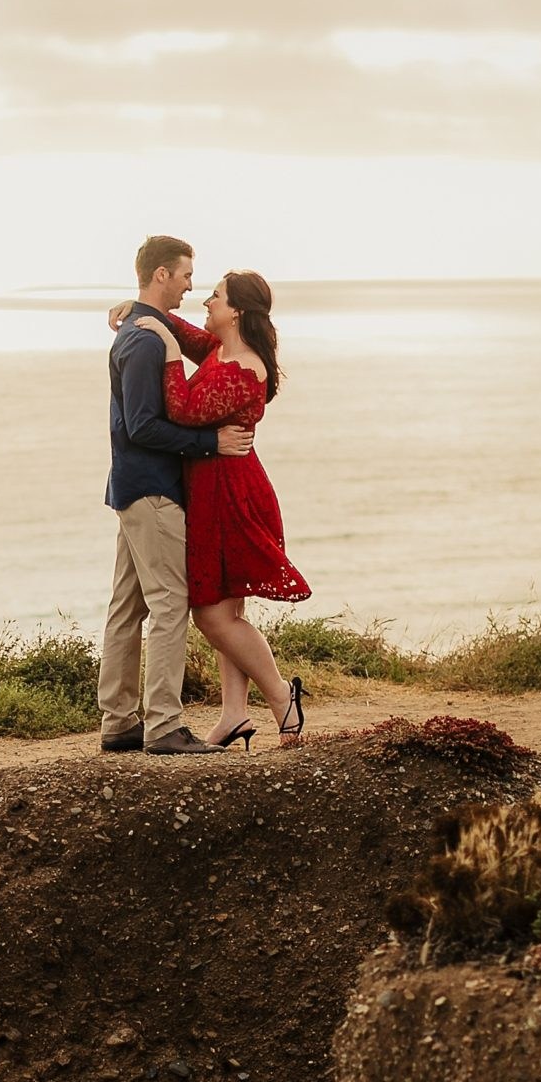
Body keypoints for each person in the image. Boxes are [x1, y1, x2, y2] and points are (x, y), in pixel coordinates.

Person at [109, 270, 310, 749]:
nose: (205, 301)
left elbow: (181, 409)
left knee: (214, 616)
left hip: (231, 494)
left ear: (236, 310)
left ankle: (283, 699)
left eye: (215, 296)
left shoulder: (246, 368)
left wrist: (167, 347)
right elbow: (179, 329)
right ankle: (234, 715)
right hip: (213, 487)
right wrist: (135, 310)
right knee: (228, 604)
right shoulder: (222, 350)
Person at [98, 235, 255, 755]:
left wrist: (145, 314)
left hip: (130, 488)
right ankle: (163, 725)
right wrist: (211, 442)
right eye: (186, 275)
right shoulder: (145, 341)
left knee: (128, 608)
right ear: (161, 274)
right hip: (153, 492)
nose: (191, 285)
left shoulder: (145, 329)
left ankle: (119, 722)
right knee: (170, 605)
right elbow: (143, 426)